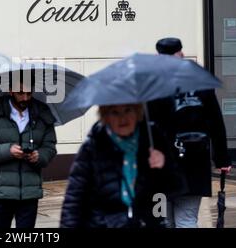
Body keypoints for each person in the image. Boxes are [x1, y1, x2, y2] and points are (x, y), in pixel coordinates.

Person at [149, 37, 232, 228]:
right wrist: (222, 159)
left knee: (161, 219)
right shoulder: (201, 81)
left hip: (157, 168)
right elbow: (215, 122)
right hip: (193, 163)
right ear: (182, 54)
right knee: (187, 219)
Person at [60, 104, 178, 228]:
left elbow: (175, 187)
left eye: (128, 110)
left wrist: (164, 165)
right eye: (115, 112)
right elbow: (74, 198)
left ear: (137, 112)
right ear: (106, 117)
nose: (122, 118)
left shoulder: (153, 140)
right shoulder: (92, 147)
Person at [0, 74, 57, 228]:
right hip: (0, 194)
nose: (25, 98)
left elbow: (50, 147)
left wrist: (40, 156)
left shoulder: (42, 114)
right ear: (10, 90)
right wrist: (8, 151)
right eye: (20, 93)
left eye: (29, 93)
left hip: (29, 194)